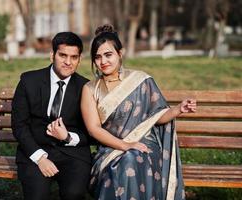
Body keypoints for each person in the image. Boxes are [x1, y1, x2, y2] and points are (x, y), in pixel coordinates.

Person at [81, 24, 197, 200]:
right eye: (97, 57)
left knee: (133, 158)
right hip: (111, 148)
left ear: (120, 54)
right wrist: (124, 145)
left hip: (145, 145)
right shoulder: (90, 89)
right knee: (127, 159)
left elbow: (157, 116)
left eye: (108, 55)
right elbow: (94, 129)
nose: (103, 61)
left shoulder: (141, 80)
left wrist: (178, 109)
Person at [12, 32, 91, 200]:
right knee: (37, 196)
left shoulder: (85, 87)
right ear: (52, 55)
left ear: (79, 59)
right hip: (35, 150)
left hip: (73, 154)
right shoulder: (29, 81)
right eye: (62, 55)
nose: (68, 62)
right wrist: (39, 157)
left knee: (74, 194)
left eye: (74, 57)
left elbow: (91, 132)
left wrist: (68, 137)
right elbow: (19, 125)